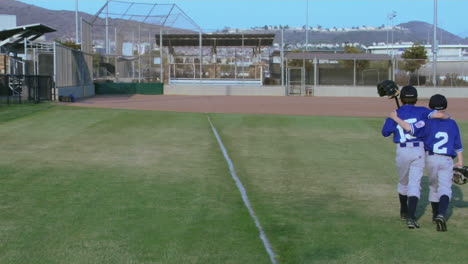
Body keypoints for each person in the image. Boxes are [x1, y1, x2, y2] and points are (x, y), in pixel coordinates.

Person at [390, 94, 463, 232]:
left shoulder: (426, 122)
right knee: (445, 189)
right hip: (447, 159)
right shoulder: (452, 123)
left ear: (430, 107)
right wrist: (460, 161)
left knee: (433, 186)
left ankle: (433, 214)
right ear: (445, 106)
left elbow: (409, 128)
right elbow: (458, 145)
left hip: (431, 158)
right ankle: (440, 214)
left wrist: (396, 118)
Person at [381, 86, 449, 229]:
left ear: (401, 99)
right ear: (416, 99)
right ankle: (411, 218)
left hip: (402, 150)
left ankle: (404, 211)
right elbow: (441, 115)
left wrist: (395, 118)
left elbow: (385, 132)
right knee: (415, 184)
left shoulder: (396, 113)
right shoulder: (422, 111)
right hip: (419, 149)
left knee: (403, 183)